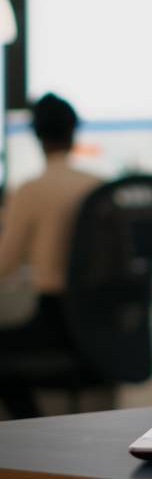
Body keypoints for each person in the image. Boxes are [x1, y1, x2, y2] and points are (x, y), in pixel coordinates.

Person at [0, 93, 101, 418]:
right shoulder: (99, 186)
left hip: (54, 325)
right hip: (102, 329)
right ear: (74, 132)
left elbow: (6, 263)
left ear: (37, 137)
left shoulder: (30, 188)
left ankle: (27, 430)